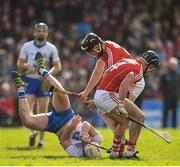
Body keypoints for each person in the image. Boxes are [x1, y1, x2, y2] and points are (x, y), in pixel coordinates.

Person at [11, 52, 102, 157]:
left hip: (55, 126)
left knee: (27, 121)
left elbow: (63, 140)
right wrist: (85, 133)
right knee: (59, 91)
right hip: (66, 114)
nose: (91, 144)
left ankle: (21, 87)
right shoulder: (98, 140)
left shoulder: (77, 154)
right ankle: (42, 70)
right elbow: (87, 124)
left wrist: (72, 125)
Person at [84, 51, 160, 159]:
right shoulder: (138, 70)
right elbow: (125, 84)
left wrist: (97, 100)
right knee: (140, 116)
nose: (150, 70)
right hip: (107, 95)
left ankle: (115, 152)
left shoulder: (127, 61)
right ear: (149, 64)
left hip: (101, 93)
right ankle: (130, 153)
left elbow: (109, 77)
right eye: (151, 67)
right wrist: (120, 105)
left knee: (124, 121)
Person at [17, 22, 61, 148]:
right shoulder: (27, 46)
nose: (41, 33)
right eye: (39, 31)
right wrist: (27, 66)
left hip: (43, 82)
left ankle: (41, 141)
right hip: (30, 80)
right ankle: (33, 132)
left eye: (43, 31)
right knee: (28, 109)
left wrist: (47, 74)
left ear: (47, 33)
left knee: (42, 111)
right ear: (34, 32)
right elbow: (20, 63)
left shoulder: (51, 48)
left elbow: (58, 66)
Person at [160, 57, 180, 128]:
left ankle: (174, 127)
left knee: (174, 113)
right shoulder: (165, 75)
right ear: (169, 65)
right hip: (167, 97)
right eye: (172, 64)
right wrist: (165, 93)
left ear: (176, 65)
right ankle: (164, 127)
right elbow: (161, 86)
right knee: (165, 113)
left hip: (175, 97)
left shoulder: (178, 75)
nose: (173, 66)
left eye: (174, 65)